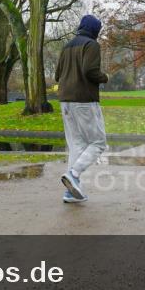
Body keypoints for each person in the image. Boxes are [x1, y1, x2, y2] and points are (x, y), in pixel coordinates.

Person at [55, 14, 109, 204]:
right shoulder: (91, 45)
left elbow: (57, 75)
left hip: (64, 101)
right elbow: (90, 71)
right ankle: (74, 174)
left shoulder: (67, 46)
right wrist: (105, 77)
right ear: (95, 30)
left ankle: (71, 192)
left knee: (76, 145)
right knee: (98, 142)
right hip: (84, 100)